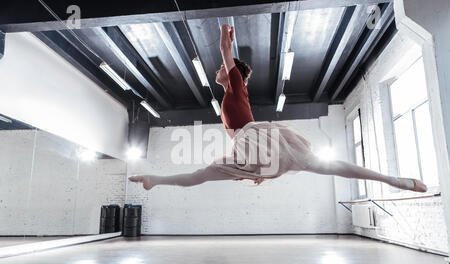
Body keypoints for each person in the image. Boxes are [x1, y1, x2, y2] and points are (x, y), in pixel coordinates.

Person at [129, 24, 427, 193]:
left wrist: (224, 32)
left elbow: (224, 51)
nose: (219, 68)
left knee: (203, 174)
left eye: (224, 67)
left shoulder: (235, 83)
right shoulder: (229, 94)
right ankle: (155, 180)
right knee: (203, 174)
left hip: (253, 139)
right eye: (223, 67)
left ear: (235, 73)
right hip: (249, 146)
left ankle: (393, 180)